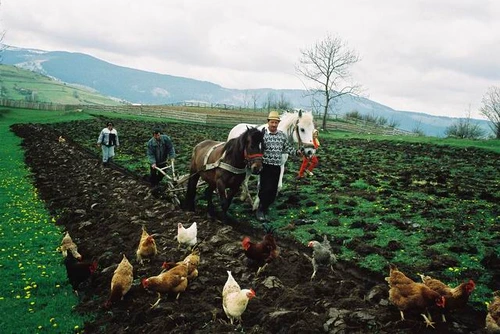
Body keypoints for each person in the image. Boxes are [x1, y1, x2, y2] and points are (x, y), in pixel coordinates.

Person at [256, 110, 303, 222]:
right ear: (268, 122)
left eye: (276, 122)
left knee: (273, 190)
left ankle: (266, 208)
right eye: (272, 122)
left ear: (278, 123)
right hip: (266, 166)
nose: (274, 124)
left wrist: (297, 152)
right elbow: (258, 150)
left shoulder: (281, 136)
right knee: (264, 189)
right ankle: (260, 210)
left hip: (276, 167)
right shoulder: (263, 135)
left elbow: (287, 148)